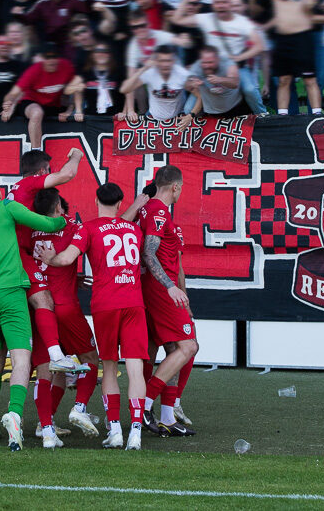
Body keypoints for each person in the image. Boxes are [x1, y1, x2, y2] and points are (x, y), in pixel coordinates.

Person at [36, 182, 148, 451]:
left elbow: (65, 259)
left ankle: (115, 431)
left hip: (106, 304)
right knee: (135, 369)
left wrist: (51, 259)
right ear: (120, 204)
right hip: (134, 302)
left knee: (109, 366)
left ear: (96, 201)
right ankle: (135, 432)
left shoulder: (88, 228)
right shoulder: (134, 229)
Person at [0, 175, 67, 451]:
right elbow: (45, 223)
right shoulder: (8, 207)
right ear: (0, 192)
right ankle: (15, 415)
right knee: (22, 359)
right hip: (10, 293)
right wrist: (63, 221)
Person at [26, 188, 102, 445]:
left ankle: (45, 426)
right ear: (59, 206)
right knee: (91, 357)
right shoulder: (73, 225)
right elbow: (68, 255)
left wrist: (71, 276)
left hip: (38, 306)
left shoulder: (27, 228)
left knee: (48, 368)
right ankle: (79, 408)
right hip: (65, 307)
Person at [134, 165, 197, 438]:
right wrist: (171, 286)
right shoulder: (159, 211)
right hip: (161, 290)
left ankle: (167, 417)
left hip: (155, 288)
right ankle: (145, 406)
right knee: (188, 347)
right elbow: (149, 253)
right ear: (175, 187)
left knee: (172, 349)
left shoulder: (147, 209)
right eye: (181, 188)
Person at [251, 0, 324, 115]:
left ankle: (317, 116)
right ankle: (283, 117)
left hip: (303, 36)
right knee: (284, 80)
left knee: (310, 80)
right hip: (282, 38)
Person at [171, 0, 266, 114]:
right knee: (189, 109)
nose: (220, 5)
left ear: (229, 4)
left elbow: (259, 46)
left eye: (224, 2)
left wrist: (241, 57)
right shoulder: (206, 18)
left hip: (235, 68)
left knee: (249, 90)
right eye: (217, 3)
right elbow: (177, 19)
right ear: (212, 5)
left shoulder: (241, 22)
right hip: (209, 67)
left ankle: (263, 116)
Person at [0, 43, 82, 150]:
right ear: (42, 58)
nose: (52, 60)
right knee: (37, 113)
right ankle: (36, 152)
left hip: (53, 104)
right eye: (48, 57)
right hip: (31, 101)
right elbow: (13, 93)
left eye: (54, 57)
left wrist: (77, 110)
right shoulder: (33, 71)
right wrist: (8, 104)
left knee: (67, 102)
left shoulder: (66, 66)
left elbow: (77, 87)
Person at [120, 45, 192, 122]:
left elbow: (198, 94)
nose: (165, 65)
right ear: (156, 61)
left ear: (173, 61)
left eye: (168, 61)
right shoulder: (150, 73)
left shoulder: (181, 73)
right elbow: (125, 89)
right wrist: (143, 69)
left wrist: (191, 115)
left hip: (177, 118)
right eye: (162, 61)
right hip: (154, 117)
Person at [184, 45, 250, 118]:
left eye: (210, 62)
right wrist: (192, 83)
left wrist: (220, 79)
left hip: (234, 109)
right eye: (204, 62)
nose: (207, 66)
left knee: (251, 91)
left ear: (218, 59)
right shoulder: (197, 65)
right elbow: (186, 85)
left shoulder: (228, 63)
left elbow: (235, 83)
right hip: (210, 112)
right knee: (188, 110)